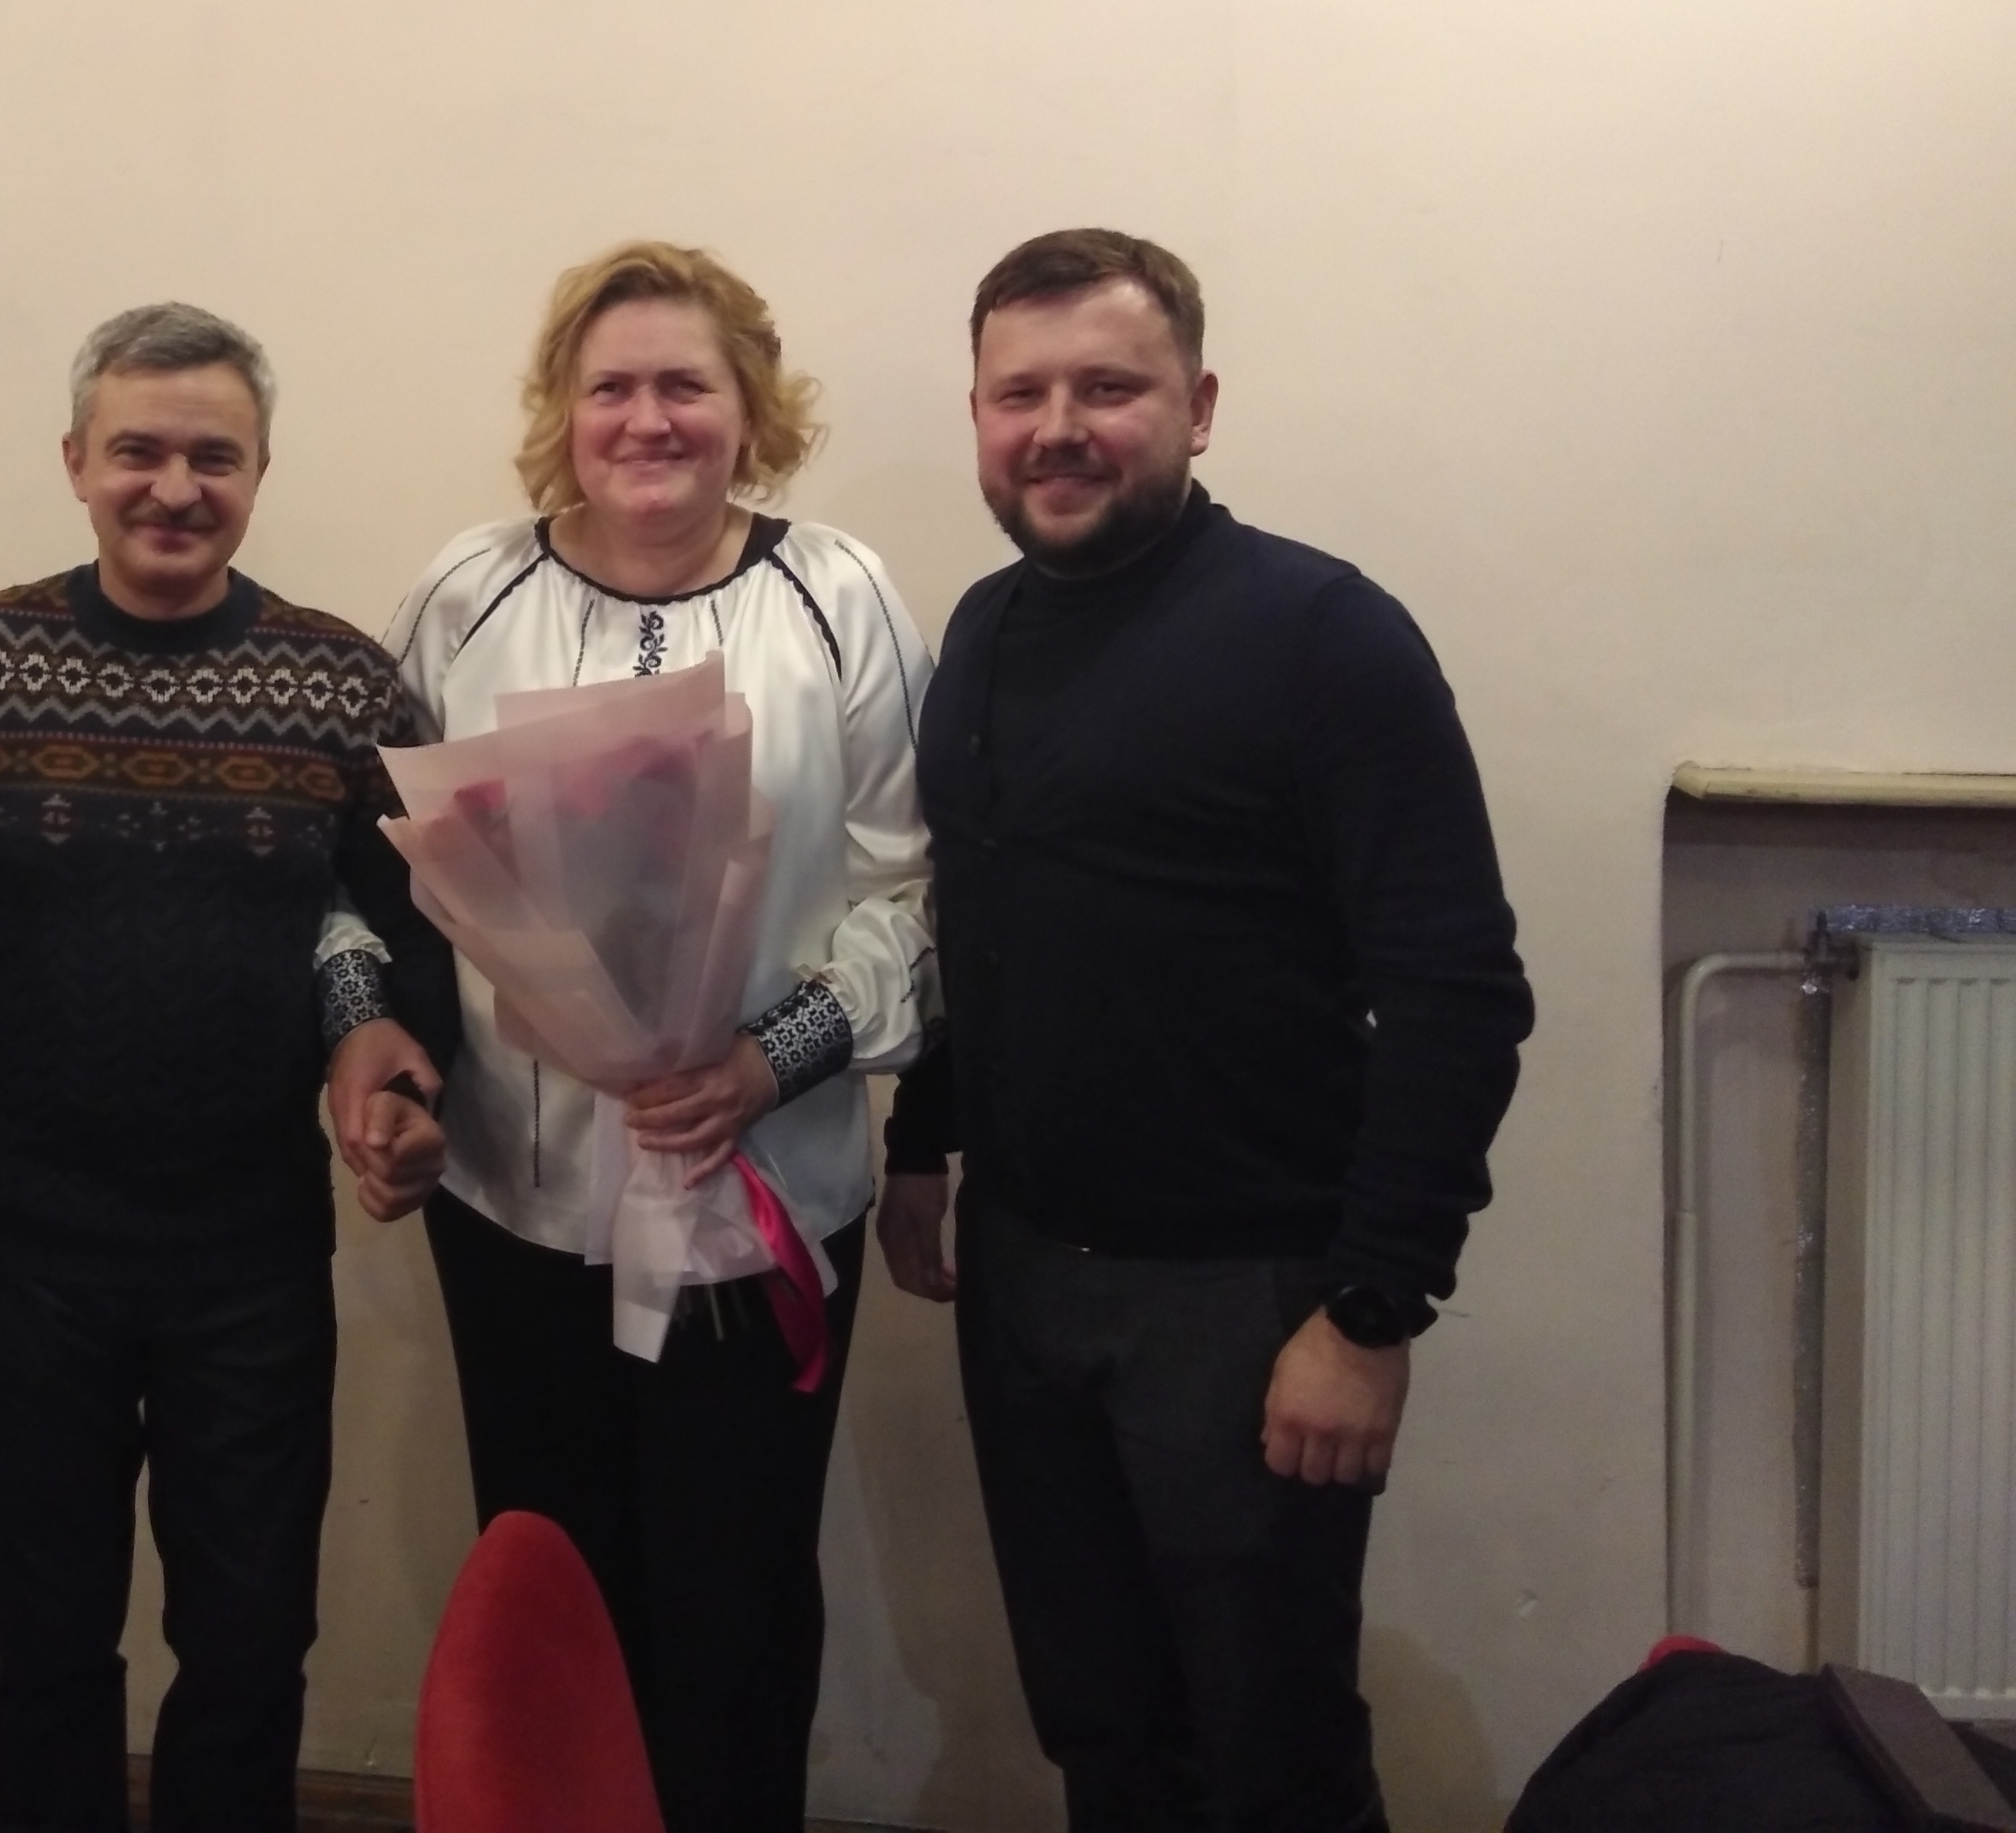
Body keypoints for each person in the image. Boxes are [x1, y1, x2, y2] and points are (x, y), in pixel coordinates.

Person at [877, 227, 1533, 1833]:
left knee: (1272, 1753)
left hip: (1250, 1302)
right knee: (1103, 1730)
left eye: (1109, 387)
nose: (1059, 427)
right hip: (1025, 1280)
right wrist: (921, 1147)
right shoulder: (983, 632)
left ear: (1200, 404)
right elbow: (982, 912)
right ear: (978, 415)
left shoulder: (1324, 637)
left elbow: (1457, 989)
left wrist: (1370, 1310)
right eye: (1021, 393)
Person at [384, 241, 934, 1833]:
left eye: (685, 383)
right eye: (610, 385)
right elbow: (382, 864)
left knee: (735, 1608)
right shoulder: (465, 594)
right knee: (549, 1589)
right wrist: (378, 1050)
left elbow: (914, 892)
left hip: (762, 1195)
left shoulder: (840, 596)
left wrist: (772, 1057)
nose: (648, 419)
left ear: (749, 404)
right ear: (562, 408)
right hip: (517, 1201)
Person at [0, 303, 458, 1833]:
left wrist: (406, 1083)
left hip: (248, 1246)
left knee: (250, 1642)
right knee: (44, 1639)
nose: (173, 487)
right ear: (75, 461)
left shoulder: (344, 683)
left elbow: (407, 929)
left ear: (261, 469)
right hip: (20, 1238)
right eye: (137, 451)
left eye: (212, 456)